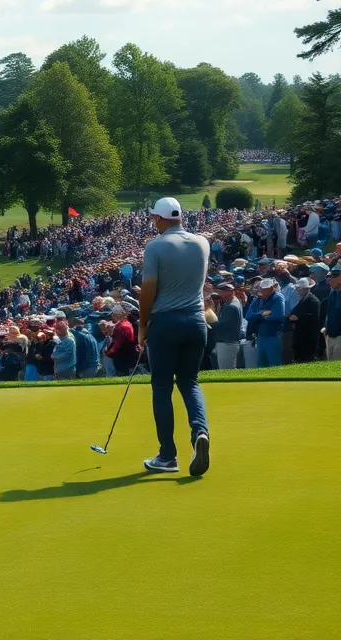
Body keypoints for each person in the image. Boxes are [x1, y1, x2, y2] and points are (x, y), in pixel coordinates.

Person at [139, 197, 210, 476]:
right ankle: (200, 432)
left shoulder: (155, 246)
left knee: (161, 387)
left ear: (159, 219)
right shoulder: (202, 242)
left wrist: (142, 325)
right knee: (190, 383)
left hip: (166, 323)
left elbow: (148, 289)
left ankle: (168, 455)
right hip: (196, 321)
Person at [246, 278, 285, 368]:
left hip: (273, 335)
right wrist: (261, 314)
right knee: (261, 364)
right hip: (261, 336)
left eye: (265, 289)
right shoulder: (259, 298)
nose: (262, 291)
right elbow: (248, 316)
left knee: (274, 364)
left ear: (271, 289)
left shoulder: (278, 297)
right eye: (262, 289)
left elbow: (277, 316)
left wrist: (258, 316)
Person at [288, 277, 322, 363]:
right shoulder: (302, 299)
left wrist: (299, 317)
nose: (297, 290)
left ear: (305, 289)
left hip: (308, 337)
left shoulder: (313, 301)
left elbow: (315, 318)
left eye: (299, 289)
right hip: (300, 336)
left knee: (307, 359)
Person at [211, 283, 244, 370]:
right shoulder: (232, 302)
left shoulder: (231, 306)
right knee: (227, 368)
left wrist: (209, 320)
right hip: (229, 341)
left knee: (226, 370)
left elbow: (221, 325)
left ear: (230, 292)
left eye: (222, 292)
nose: (220, 294)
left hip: (227, 342)